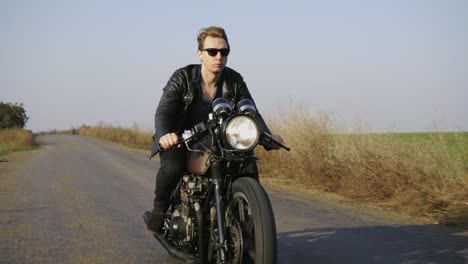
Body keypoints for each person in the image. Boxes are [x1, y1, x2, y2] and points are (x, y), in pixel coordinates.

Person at [145, 26, 284, 234]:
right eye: (212, 51)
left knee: (246, 162)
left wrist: (267, 135)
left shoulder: (234, 80)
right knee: (173, 167)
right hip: (182, 138)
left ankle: (248, 222)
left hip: (219, 139)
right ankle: (159, 209)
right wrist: (166, 133)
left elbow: (251, 113)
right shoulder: (182, 77)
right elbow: (164, 111)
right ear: (200, 54)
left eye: (224, 52)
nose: (219, 56)